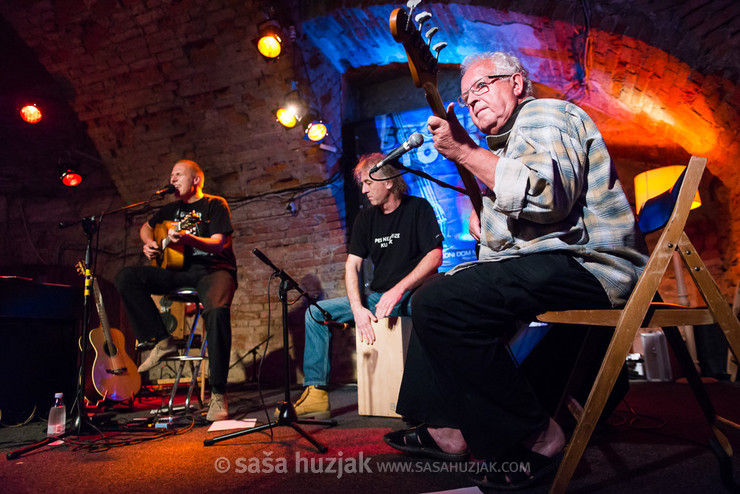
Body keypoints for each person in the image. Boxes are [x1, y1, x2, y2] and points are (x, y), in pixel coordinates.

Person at [383, 52, 649, 489]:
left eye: (482, 87)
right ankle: (445, 427)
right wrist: (487, 221)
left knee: (441, 300)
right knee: (443, 287)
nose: (473, 102)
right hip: (559, 262)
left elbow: (547, 199)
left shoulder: (544, 114)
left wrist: (466, 152)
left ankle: (536, 436)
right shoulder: (511, 142)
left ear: (518, 83)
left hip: (593, 267)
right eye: (467, 99)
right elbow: (517, 233)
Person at [289, 153, 444, 419]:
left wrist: (399, 290)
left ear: (387, 182)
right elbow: (352, 265)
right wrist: (357, 308)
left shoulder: (418, 208)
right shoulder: (366, 219)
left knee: (427, 309)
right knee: (315, 313)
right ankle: (316, 394)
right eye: (361, 184)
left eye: (368, 183)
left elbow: (435, 256)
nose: (363, 190)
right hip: (379, 299)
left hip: (414, 296)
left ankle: (430, 397)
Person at [115, 159, 237, 422]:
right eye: (171, 175)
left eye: (178, 175)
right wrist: (148, 244)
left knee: (216, 312)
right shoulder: (169, 209)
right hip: (179, 272)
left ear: (195, 180)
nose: (173, 179)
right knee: (127, 277)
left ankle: (218, 392)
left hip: (214, 271)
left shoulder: (215, 204)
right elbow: (145, 228)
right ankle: (161, 340)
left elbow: (217, 244)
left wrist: (189, 238)